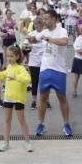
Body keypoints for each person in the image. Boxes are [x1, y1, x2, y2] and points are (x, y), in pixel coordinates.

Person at [32, 9, 73, 137]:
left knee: (62, 98)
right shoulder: (44, 31)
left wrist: (49, 39)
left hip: (59, 70)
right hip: (45, 69)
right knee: (43, 98)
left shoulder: (62, 30)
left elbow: (65, 42)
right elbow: (34, 39)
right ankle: (41, 124)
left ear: (55, 19)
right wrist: (30, 39)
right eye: (43, 19)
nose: (45, 21)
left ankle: (66, 124)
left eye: (47, 18)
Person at [0, 45, 33, 152]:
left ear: (17, 56)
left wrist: (17, 77)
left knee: (21, 120)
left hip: (18, 99)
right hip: (8, 97)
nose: (9, 58)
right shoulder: (9, 67)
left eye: (11, 56)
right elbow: (4, 74)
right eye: (7, 56)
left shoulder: (21, 68)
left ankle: (27, 143)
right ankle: (6, 143)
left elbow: (27, 79)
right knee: (7, 120)